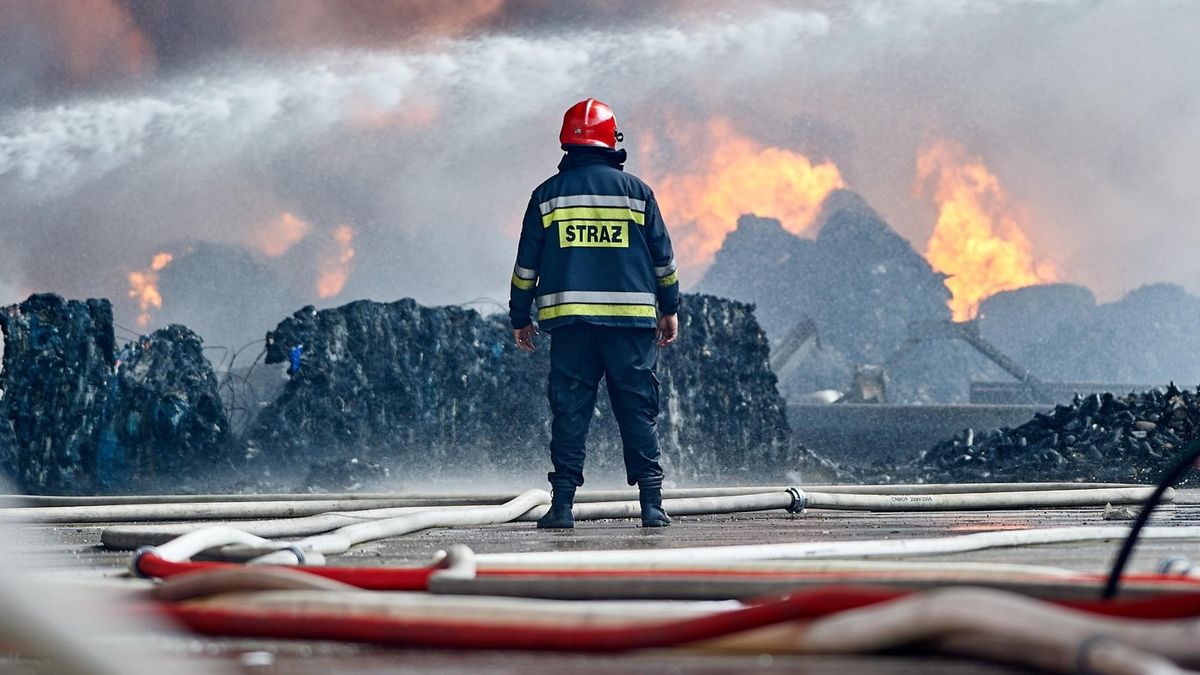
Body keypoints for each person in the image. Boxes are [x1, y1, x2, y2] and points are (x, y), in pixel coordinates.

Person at [509, 97, 680, 529]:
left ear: (568, 141)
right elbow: (663, 259)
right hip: (631, 328)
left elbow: (526, 264)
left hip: (571, 328)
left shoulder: (547, 196)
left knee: (570, 412)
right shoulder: (637, 194)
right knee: (638, 411)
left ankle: (562, 507)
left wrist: (519, 316)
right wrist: (670, 308)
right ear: (611, 140)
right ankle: (652, 506)